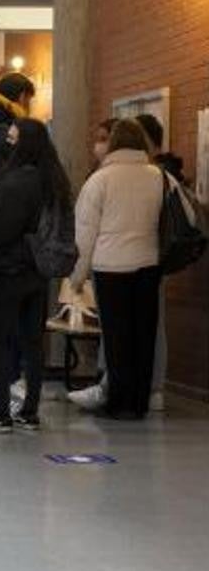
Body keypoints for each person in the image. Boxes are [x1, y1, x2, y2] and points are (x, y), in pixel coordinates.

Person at [70, 115, 180, 413]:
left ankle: (118, 402)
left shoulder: (100, 180)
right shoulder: (159, 176)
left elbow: (85, 232)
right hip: (149, 263)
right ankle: (140, 401)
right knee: (144, 335)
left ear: (114, 143)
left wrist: (77, 277)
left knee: (117, 338)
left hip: (111, 267)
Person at [0, 119, 71, 433]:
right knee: (31, 340)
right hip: (38, 270)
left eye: (11, 140)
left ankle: (0, 412)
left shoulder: (16, 182)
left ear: (23, 144)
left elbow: (0, 229)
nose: (6, 145)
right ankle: (30, 411)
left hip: (9, 268)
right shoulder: (54, 180)